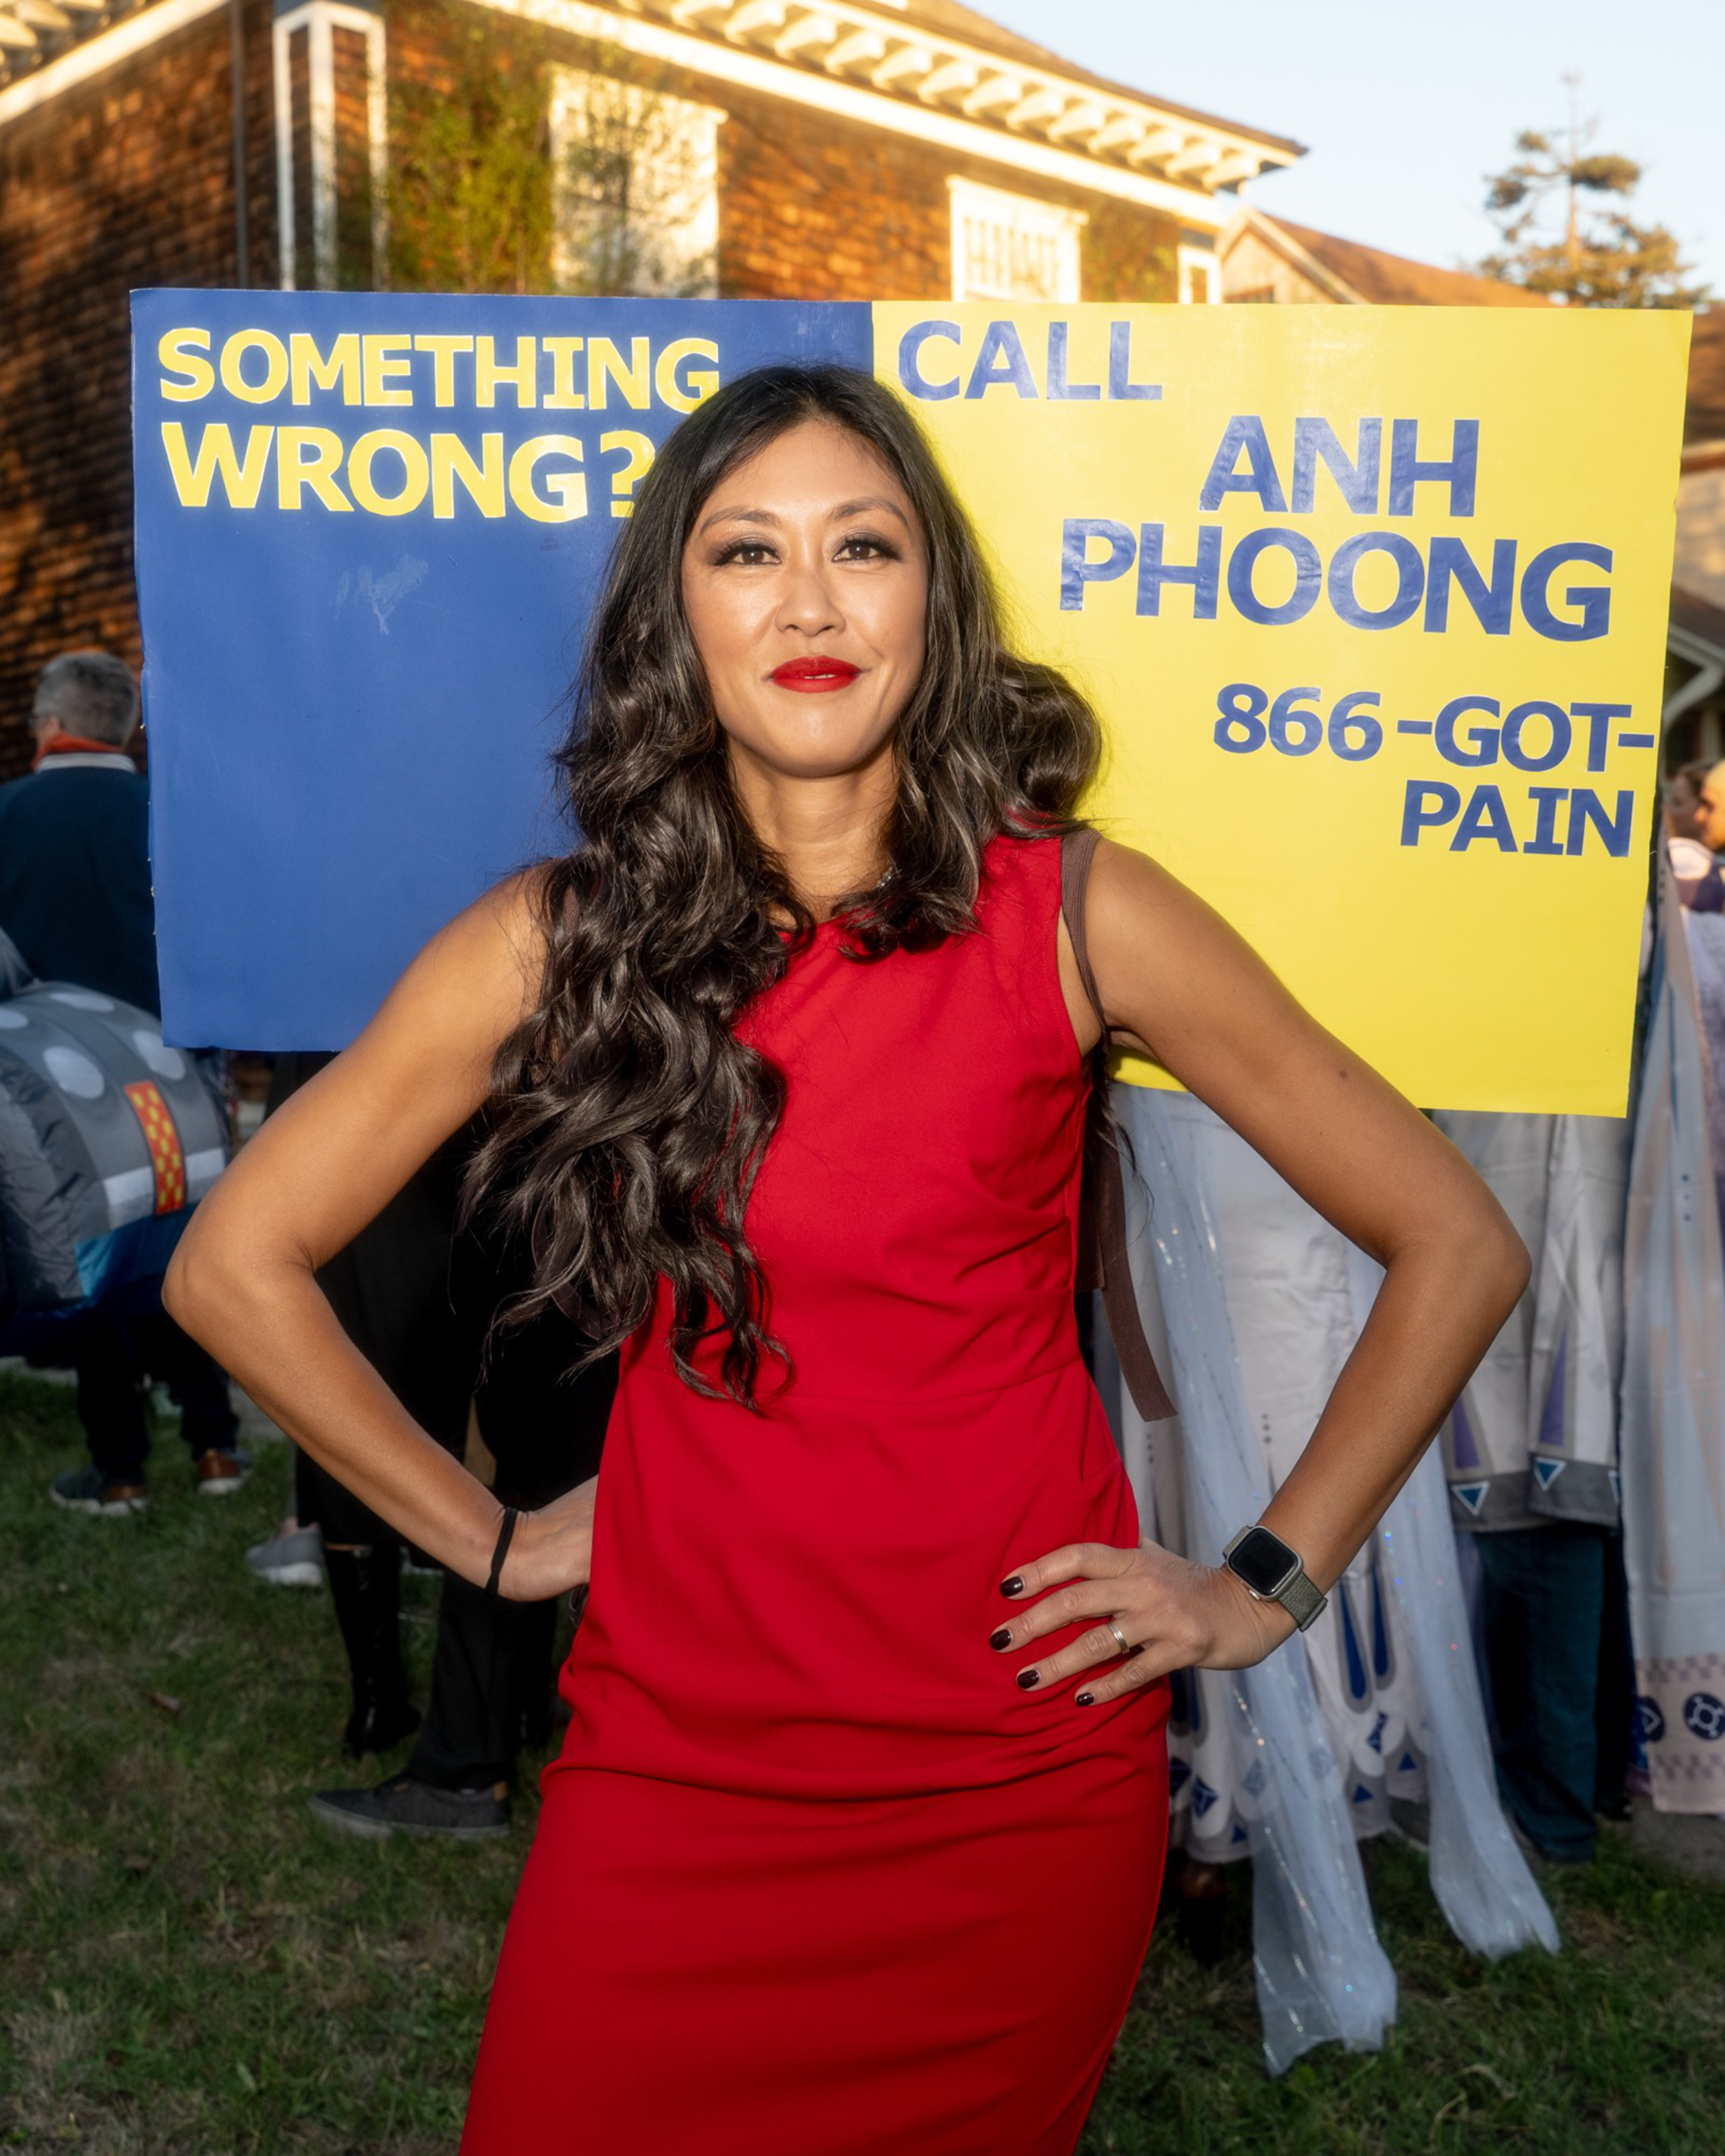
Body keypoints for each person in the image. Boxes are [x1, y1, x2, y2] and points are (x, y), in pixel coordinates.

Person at [165, 367, 1528, 2154]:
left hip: (1008, 1785)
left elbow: (1456, 1238)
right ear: (680, 616)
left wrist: (1259, 1585)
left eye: (862, 547)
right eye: (749, 553)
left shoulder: (1081, 914)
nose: (809, 602)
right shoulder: (559, 940)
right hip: (674, 1769)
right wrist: (488, 1537)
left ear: (931, 605)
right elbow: (234, 1263)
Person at [0, 650, 248, 1512]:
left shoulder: (9, 816)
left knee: (98, 1268)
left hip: (67, 1090)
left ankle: (122, 1472)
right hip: (185, 1082)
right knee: (194, 1246)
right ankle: (217, 1446)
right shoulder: (173, 815)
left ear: (46, 723)